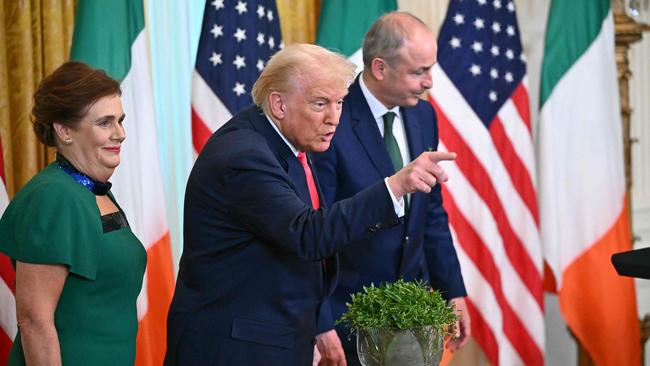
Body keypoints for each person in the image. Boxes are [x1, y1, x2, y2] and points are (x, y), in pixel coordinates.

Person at [165, 43, 456, 366]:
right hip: (234, 348)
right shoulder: (245, 156)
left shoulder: (287, 144)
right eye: (320, 104)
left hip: (274, 339)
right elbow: (308, 234)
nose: (334, 118)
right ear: (279, 104)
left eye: (339, 103)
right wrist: (395, 186)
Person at [312, 12, 471, 366]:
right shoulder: (330, 119)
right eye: (419, 72)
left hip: (411, 319)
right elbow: (315, 229)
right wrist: (319, 323)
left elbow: (431, 214)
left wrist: (453, 290)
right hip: (345, 318)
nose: (430, 82)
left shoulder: (422, 116)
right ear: (380, 68)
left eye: (430, 69)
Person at [0, 61, 146, 365]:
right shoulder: (53, 196)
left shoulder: (92, 191)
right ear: (65, 131)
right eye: (105, 122)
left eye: (120, 120)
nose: (120, 133)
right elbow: (34, 321)